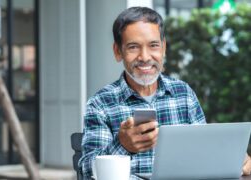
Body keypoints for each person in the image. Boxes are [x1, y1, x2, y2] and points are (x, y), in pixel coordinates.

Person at [79, 7, 251, 179]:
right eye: (133, 47)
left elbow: (203, 153)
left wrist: (236, 160)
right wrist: (123, 146)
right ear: (118, 51)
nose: (145, 57)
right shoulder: (100, 103)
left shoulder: (183, 93)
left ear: (163, 48)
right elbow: (86, 171)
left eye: (153, 45)